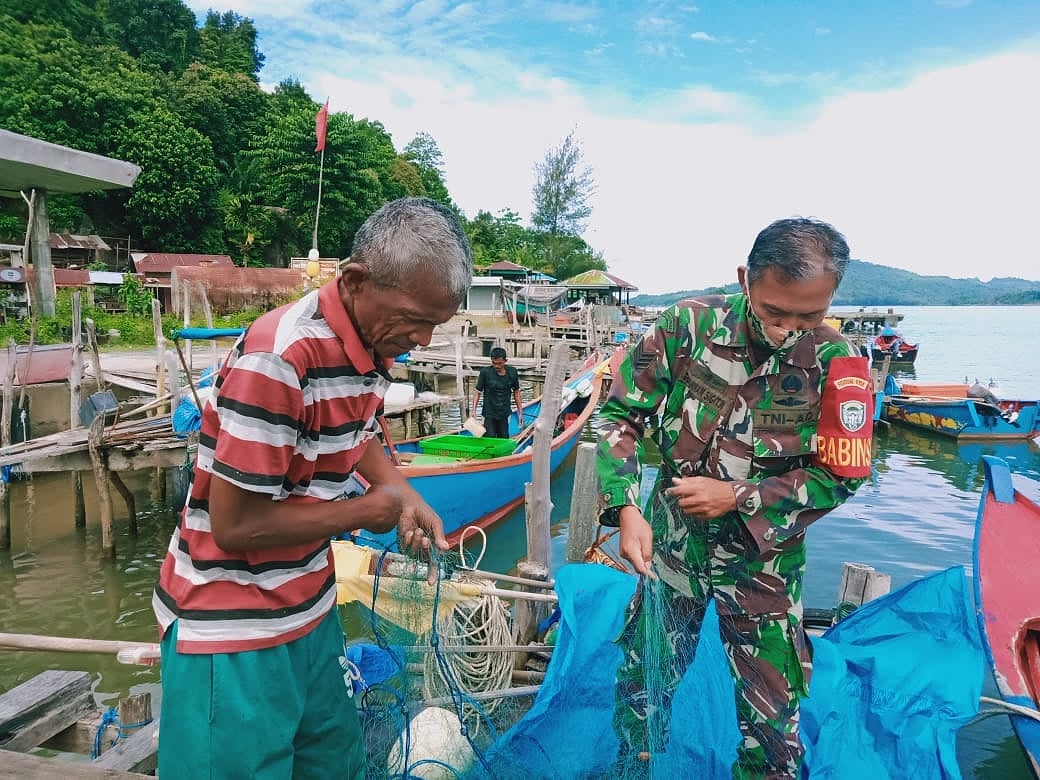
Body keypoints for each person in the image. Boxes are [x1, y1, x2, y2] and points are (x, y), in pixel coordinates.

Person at [152, 197, 473, 779]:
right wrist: (361, 511)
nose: (422, 340)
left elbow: (358, 429)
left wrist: (404, 494)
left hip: (310, 608)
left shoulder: (370, 345)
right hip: (232, 629)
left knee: (332, 763)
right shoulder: (280, 358)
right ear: (355, 280)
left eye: (435, 325)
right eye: (414, 320)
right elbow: (236, 525)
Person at [597, 217, 872, 778]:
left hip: (764, 565)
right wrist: (625, 506)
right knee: (645, 676)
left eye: (809, 315)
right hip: (669, 548)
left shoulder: (839, 362)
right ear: (746, 278)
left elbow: (841, 477)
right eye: (775, 312)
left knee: (773, 712)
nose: (787, 330)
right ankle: (635, 759)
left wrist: (739, 496)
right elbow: (620, 414)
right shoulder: (685, 326)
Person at [472, 346, 523, 438]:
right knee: (489, 438)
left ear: (505, 361)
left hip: (504, 413)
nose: (496, 366)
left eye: (499, 363)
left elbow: (516, 391)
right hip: (489, 413)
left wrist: (520, 412)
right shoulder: (485, 372)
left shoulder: (512, 372)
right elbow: (477, 392)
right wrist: (473, 410)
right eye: (494, 363)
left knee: (503, 438)